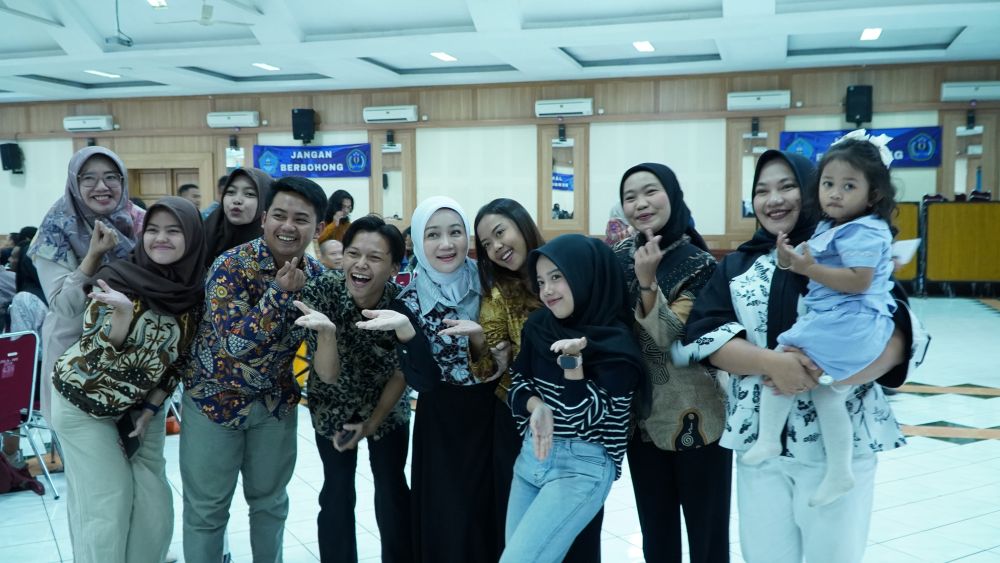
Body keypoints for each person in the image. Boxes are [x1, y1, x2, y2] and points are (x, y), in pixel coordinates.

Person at [675, 149, 916, 563]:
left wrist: (830, 376)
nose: (774, 200)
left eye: (787, 187)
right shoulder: (738, 265)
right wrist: (773, 364)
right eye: (761, 190)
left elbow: (902, 333)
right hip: (760, 443)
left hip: (837, 447)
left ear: (809, 191)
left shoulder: (845, 249)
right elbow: (706, 336)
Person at [742, 131, 899, 508]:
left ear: (873, 194)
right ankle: (839, 471)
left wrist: (809, 269)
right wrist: (791, 258)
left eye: (849, 186)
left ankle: (769, 439)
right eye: (828, 184)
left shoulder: (864, 230)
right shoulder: (831, 227)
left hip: (850, 324)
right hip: (844, 322)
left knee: (785, 357)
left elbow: (859, 281)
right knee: (829, 395)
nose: (835, 194)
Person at [49, 197, 206, 563]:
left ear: (193, 238)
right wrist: (120, 319)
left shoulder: (194, 293)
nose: (160, 238)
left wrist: (151, 407)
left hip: (139, 406)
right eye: (153, 230)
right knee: (108, 501)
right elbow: (92, 364)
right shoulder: (118, 278)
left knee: (153, 500)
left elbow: (179, 360)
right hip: (82, 403)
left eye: (173, 231)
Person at [180, 176, 327, 563]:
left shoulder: (318, 278)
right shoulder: (231, 266)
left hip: (274, 406)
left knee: (271, 505)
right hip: (213, 404)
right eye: (279, 215)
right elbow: (235, 345)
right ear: (264, 219)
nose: (288, 226)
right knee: (207, 511)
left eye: (301, 219)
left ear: (319, 228)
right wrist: (279, 293)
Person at [356, 196, 499, 563]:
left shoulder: (491, 281)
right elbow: (424, 382)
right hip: (442, 423)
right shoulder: (407, 301)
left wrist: (481, 339)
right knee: (449, 514)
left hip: (496, 413)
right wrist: (407, 333)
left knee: (494, 508)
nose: (446, 244)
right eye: (433, 235)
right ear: (418, 241)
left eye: (455, 232)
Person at [474, 198, 603, 561]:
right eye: (486, 244)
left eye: (500, 232)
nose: (496, 247)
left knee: (578, 537)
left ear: (523, 224)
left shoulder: (571, 271)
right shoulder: (497, 293)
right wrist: (484, 347)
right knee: (527, 540)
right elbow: (487, 370)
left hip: (583, 426)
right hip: (521, 421)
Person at [614, 163, 731, 563]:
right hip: (642, 422)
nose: (640, 204)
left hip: (699, 418)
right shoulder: (618, 257)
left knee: (707, 537)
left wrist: (647, 283)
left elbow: (667, 337)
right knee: (656, 535)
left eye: (651, 191)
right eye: (630, 197)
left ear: (672, 195)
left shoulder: (700, 264)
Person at [501, 234, 641, 563]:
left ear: (584, 275)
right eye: (541, 281)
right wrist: (537, 407)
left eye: (557, 277)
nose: (547, 290)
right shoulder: (539, 326)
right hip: (531, 457)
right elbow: (517, 385)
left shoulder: (617, 346)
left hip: (583, 467)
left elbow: (584, 420)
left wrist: (573, 364)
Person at [294, 215, 412, 563]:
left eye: (374, 257)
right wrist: (327, 333)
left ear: (394, 267)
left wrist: (372, 423)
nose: (361, 264)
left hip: (387, 408)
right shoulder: (322, 291)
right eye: (353, 253)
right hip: (332, 406)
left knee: (392, 489)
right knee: (337, 492)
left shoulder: (403, 302)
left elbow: (402, 372)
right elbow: (327, 375)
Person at [29, 146, 145, 423]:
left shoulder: (141, 222)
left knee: (138, 445)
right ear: (74, 182)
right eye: (88, 178)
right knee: (81, 444)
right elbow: (64, 306)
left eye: (111, 177)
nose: (101, 187)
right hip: (74, 358)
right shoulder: (55, 231)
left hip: (133, 353)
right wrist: (93, 257)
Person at [202, 167, 273, 267]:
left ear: (265, 200)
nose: (237, 200)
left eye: (249, 194)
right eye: (231, 192)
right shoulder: (205, 234)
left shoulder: (275, 246)